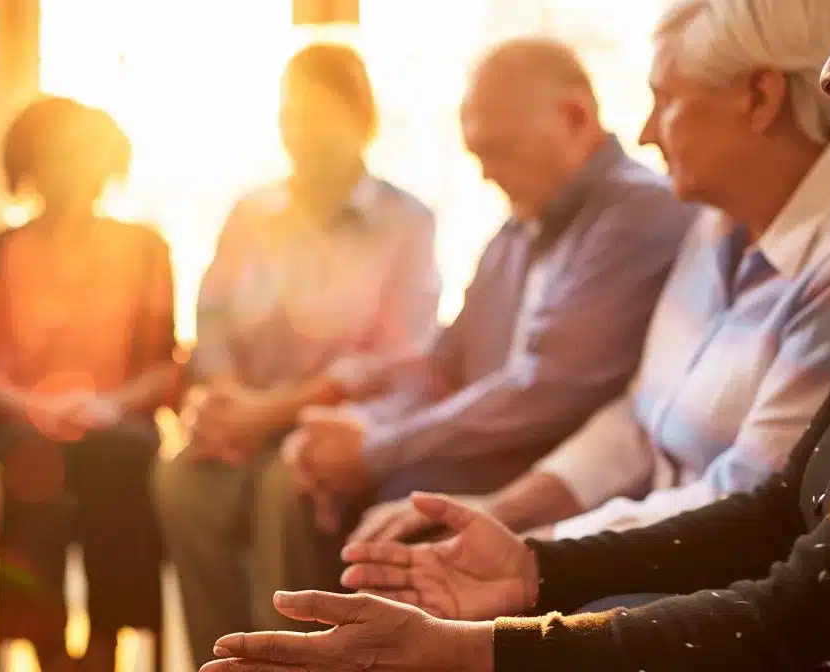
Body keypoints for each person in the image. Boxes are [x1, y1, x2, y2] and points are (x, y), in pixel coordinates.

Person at [205, 0, 830, 668]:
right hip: (682, 554)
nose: (640, 129)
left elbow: (800, 595)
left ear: (760, 95)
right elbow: (746, 488)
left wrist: (519, 591)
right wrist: (531, 559)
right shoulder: (741, 238)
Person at [350, 0, 830, 545]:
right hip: (649, 543)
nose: (644, 132)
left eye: (666, 99)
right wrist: (499, 511)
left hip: (708, 571)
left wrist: (538, 549)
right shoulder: (712, 225)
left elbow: (749, 509)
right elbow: (636, 420)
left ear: (760, 98)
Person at [272, 33, 699, 586]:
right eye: (476, 155)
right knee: (302, 481)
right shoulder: (517, 229)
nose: (485, 173)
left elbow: (544, 392)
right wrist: (361, 425)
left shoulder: (637, 212)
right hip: (492, 456)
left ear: (575, 117)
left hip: (565, 475)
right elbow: (446, 361)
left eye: (499, 149)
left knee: (400, 508)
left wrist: (375, 451)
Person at [151, 42, 442, 665]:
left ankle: (286, 660)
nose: (299, 134)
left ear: (361, 119)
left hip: (331, 425)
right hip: (246, 422)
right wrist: (226, 401)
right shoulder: (251, 213)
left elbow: (394, 361)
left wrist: (269, 412)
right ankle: (223, 656)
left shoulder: (407, 222)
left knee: (288, 486)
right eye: (290, 116)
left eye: (316, 116)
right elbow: (215, 319)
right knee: (181, 480)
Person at [0, 96, 178, 672]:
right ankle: (50, 650)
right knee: (34, 470)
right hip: (18, 424)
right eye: (53, 157)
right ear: (27, 167)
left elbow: (166, 365)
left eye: (82, 156)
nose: (69, 172)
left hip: (115, 424)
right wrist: (30, 405)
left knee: (123, 454)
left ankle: (105, 644)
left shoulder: (146, 248)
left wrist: (111, 405)